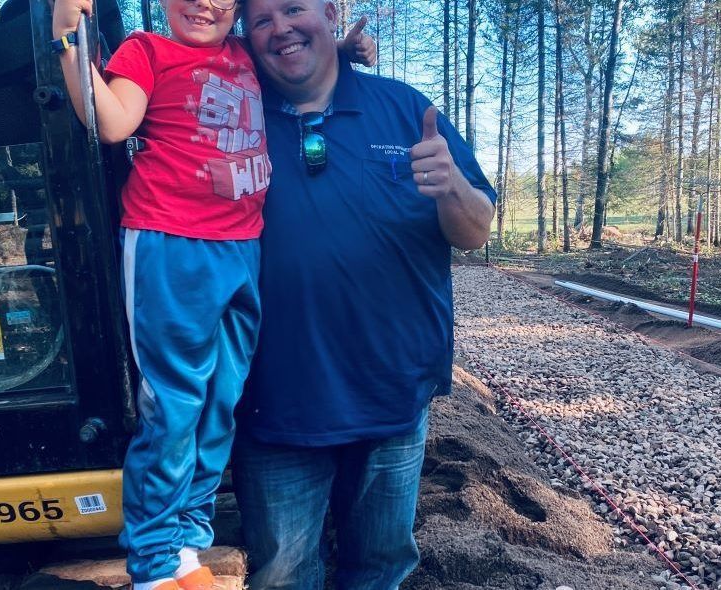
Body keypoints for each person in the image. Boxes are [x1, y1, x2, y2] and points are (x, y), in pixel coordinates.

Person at [49, 1, 374, 588]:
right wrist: (68, 39)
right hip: (171, 243)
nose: (205, 3)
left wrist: (346, 51)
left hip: (243, 245)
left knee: (222, 400)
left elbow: (296, 57)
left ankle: (187, 546)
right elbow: (114, 122)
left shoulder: (245, 54)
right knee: (173, 406)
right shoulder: (147, 52)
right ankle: (152, 563)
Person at [231, 0, 496, 587]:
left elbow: (475, 233)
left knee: (379, 568)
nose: (280, 30)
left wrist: (451, 184)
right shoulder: (230, 119)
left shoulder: (403, 108)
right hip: (275, 402)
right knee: (281, 575)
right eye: (260, 21)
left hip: (392, 393)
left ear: (330, 11)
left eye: (293, 9)